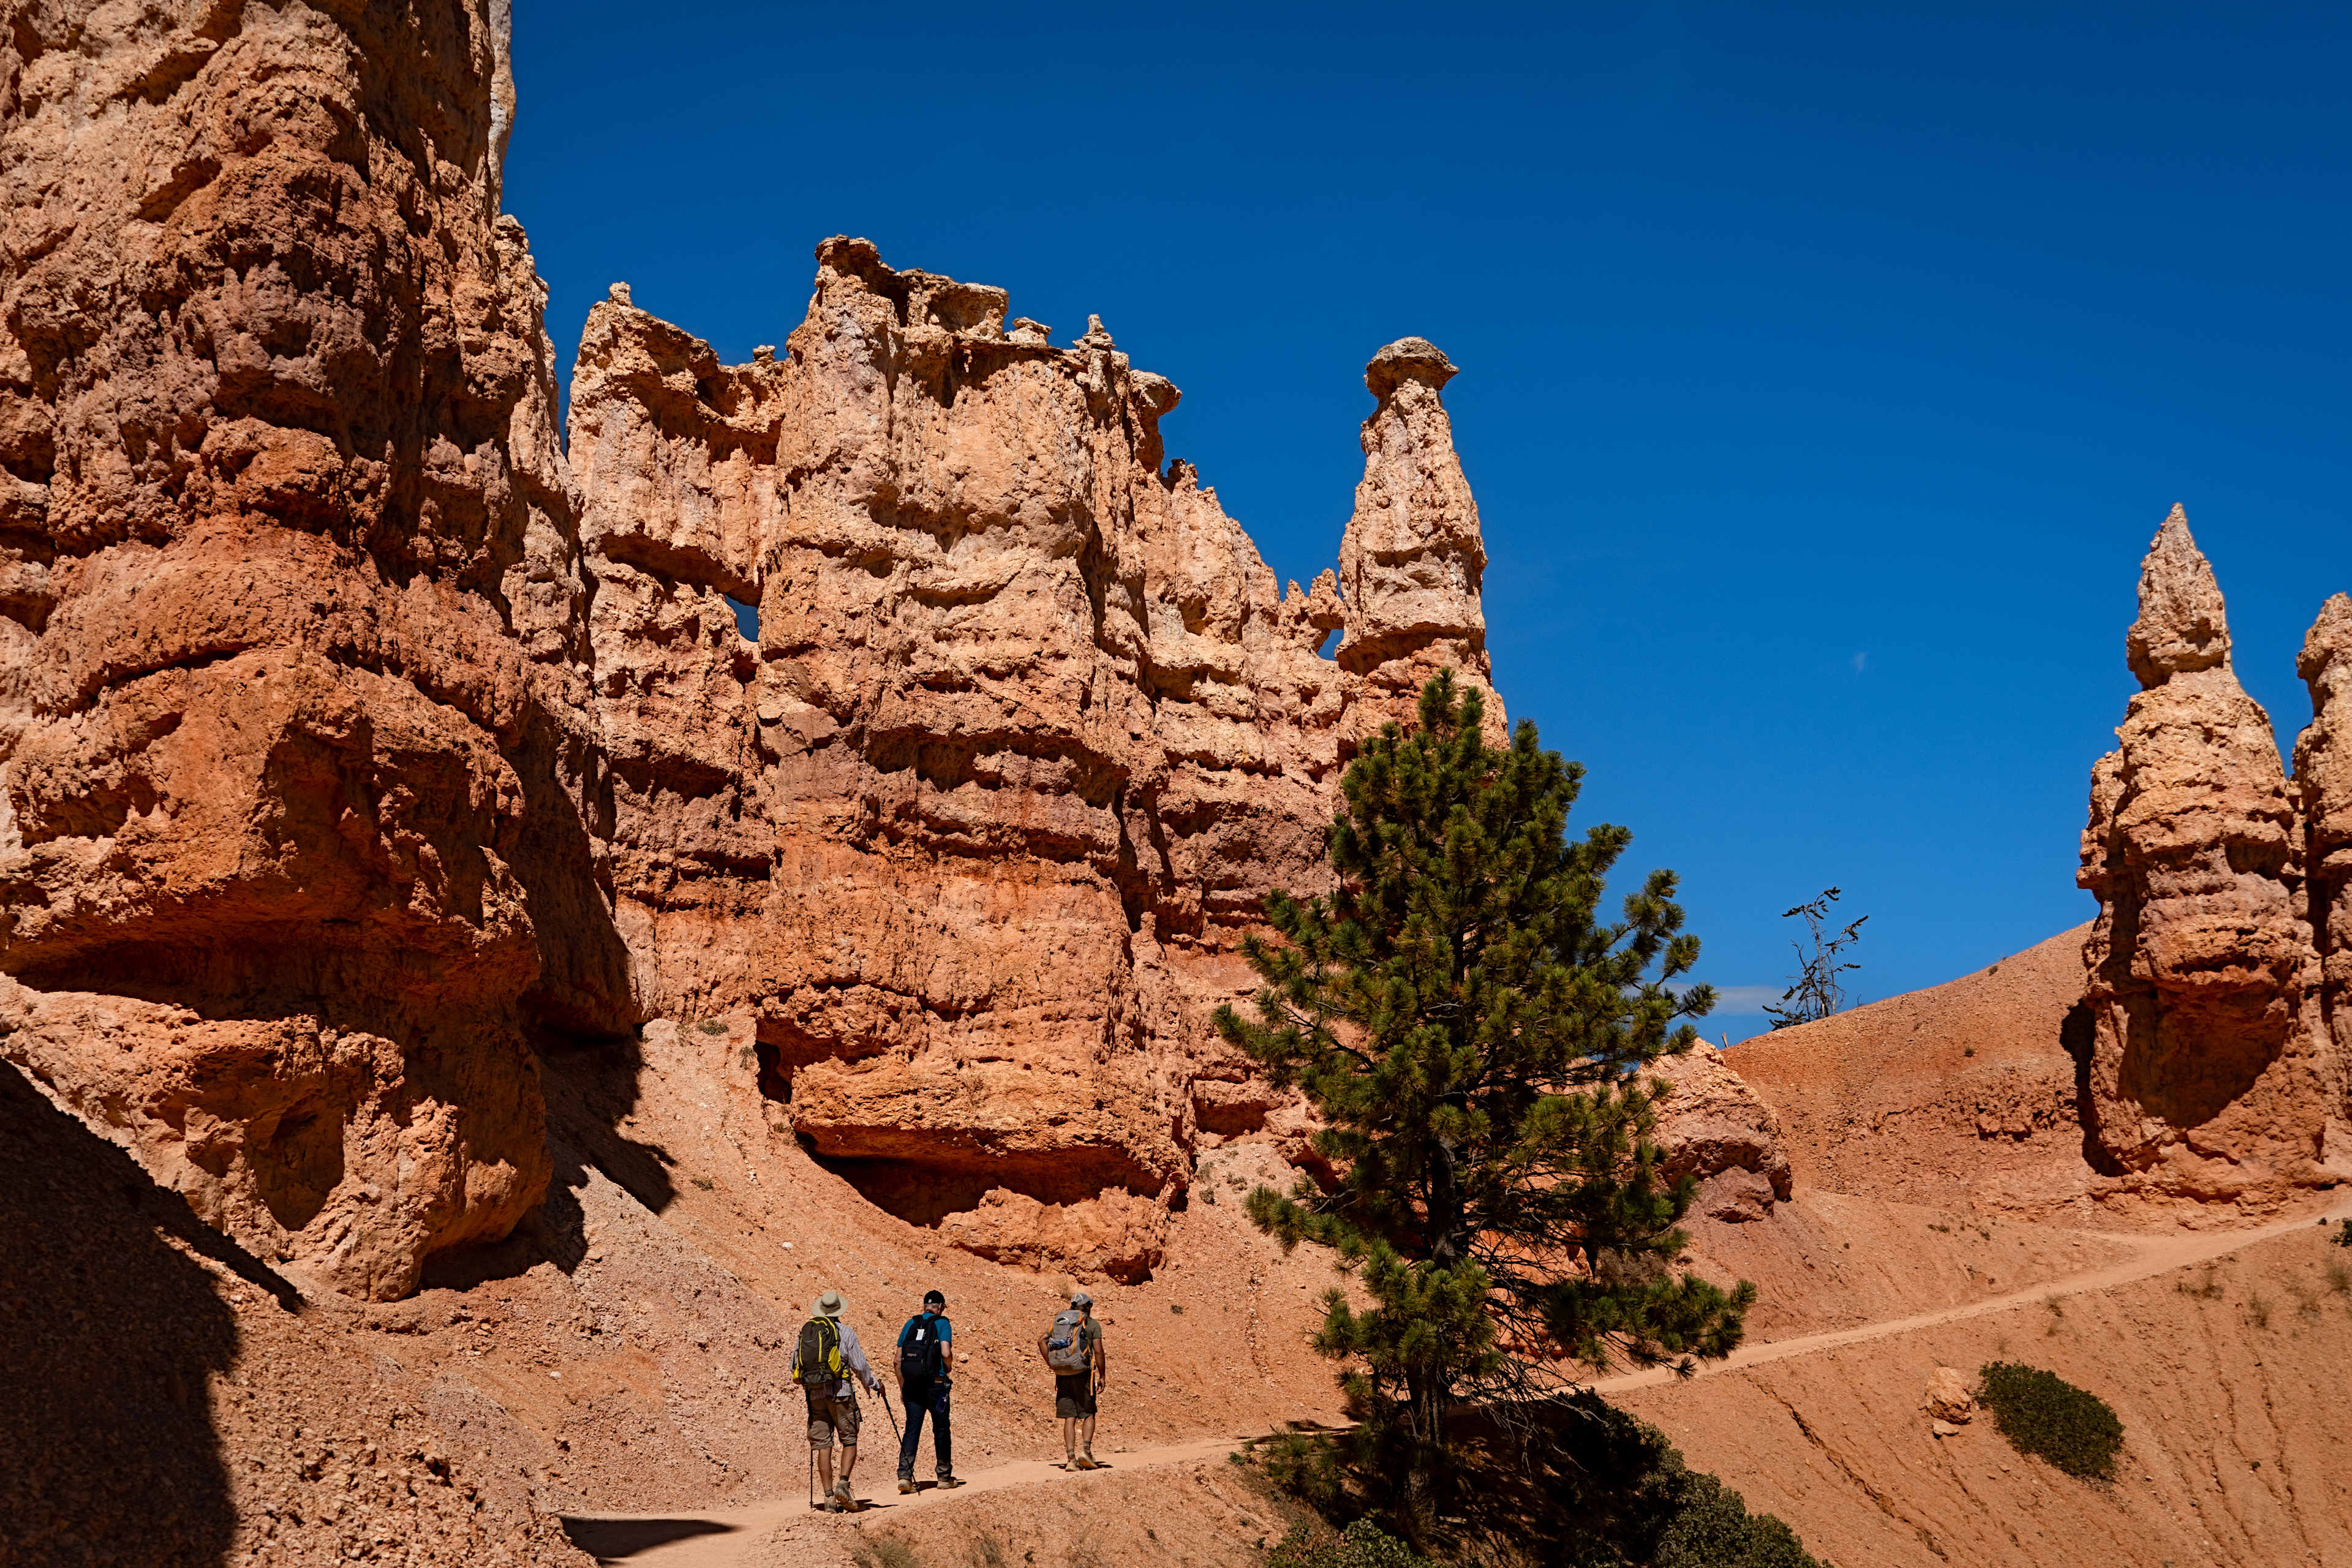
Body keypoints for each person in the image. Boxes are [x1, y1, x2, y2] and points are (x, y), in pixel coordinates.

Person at [794, 1289, 883, 1512]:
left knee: (824, 1446)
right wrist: (873, 1384)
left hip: (815, 1396)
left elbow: (794, 1367)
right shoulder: (846, 1332)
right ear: (838, 1311)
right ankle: (843, 1484)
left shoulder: (807, 1333)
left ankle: (828, 1498)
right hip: (841, 1394)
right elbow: (860, 1366)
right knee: (849, 1439)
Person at [894, 1289, 963, 1493]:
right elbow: (946, 1352)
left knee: (912, 1429)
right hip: (936, 1385)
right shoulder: (943, 1324)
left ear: (924, 1306)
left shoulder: (910, 1323)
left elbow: (897, 1360)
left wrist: (902, 1387)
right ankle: (943, 1476)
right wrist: (948, 1367)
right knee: (941, 1429)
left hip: (912, 1386)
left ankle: (905, 1476)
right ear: (940, 1307)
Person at [1036, 1289, 1106, 1469]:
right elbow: (1098, 1351)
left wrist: (1051, 1364)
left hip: (1062, 1374)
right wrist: (1103, 1375)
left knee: (1070, 1416)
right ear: (1088, 1307)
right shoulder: (1091, 1324)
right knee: (1088, 1413)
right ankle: (1086, 1452)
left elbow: (1041, 1340)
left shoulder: (1060, 1322)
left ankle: (1071, 1460)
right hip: (1083, 1374)